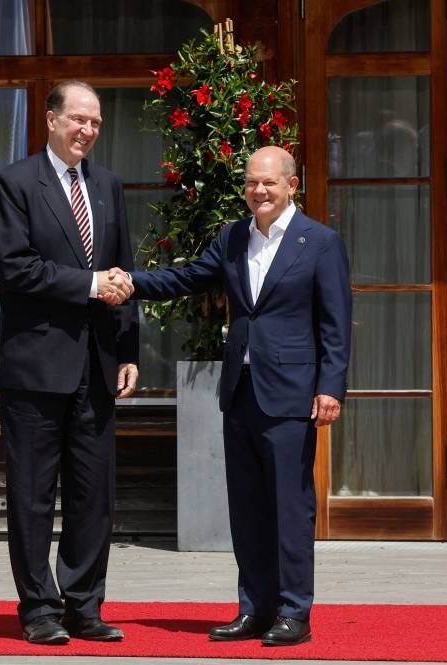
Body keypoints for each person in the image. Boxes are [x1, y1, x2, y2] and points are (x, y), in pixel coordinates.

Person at [105, 146, 352, 646]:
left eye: (269, 183)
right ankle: (255, 609)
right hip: (239, 394)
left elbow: (336, 324)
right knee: (246, 509)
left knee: (290, 508)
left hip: (291, 395)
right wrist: (131, 282)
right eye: (252, 182)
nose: (259, 191)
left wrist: (330, 387)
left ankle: (294, 613)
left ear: (291, 185)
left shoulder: (320, 242)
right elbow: (188, 276)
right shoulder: (234, 236)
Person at [0, 80, 139, 645]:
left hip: (96, 367)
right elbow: (17, 269)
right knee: (31, 494)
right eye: (78, 119)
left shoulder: (107, 186)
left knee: (91, 496)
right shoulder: (15, 183)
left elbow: (122, 273)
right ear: (50, 120)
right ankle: (39, 610)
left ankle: (85, 605)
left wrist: (128, 349)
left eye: (95, 122)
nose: (87, 131)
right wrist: (92, 284)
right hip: (35, 367)